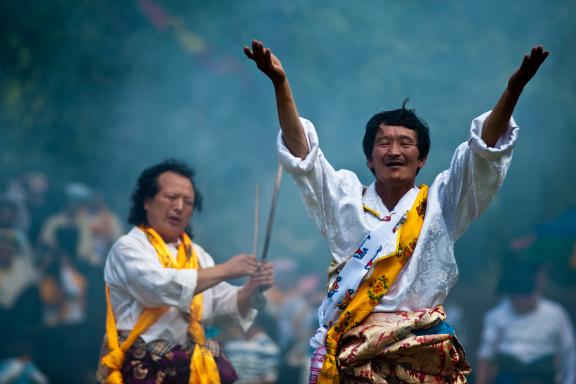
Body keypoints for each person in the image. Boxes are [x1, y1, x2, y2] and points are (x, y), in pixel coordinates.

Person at [244, 40, 549, 383]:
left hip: (423, 357)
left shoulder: (442, 202)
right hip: (354, 356)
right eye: (384, 142)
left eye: (405, 143)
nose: (394, 150)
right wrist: (281, 85)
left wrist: (513, 91)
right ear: (369, 159)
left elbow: (484, 153)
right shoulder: (343, 198)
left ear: (421, 160)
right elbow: (304, 158)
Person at [97, 159, 275, 384]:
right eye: (172, 198)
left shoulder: (198, 254)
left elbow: (223, 306)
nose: (179, 207)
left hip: (189, 368)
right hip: (145, 370)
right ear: (147, 201)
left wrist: (251, 289)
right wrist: (227, 269)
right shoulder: (128, 247)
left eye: (188, 201)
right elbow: (158, 287)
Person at [476, 262, 576, 384]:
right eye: (519, 299)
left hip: (543, 376)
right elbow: (486, 355)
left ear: (535, 292)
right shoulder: (496, 315)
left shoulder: (556, 313)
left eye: (527, 297)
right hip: (508, 376)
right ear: (511, 297)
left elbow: (569, 352)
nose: (523, 302)